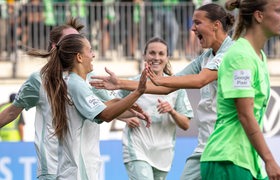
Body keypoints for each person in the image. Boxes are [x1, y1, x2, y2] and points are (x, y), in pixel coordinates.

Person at [90, 3, 235, 179]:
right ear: (144, 55)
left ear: (216, 25)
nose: (192, 28)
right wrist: (120, 83)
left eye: (197, 22)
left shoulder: (230, 53)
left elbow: (199, 81)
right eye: (152, 53)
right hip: (205, 144)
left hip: (225, 142)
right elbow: (166, 87)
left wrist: (164, 92)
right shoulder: (205, 57)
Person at [0, 18, 116, 179]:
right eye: (70, 40)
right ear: (56, 47)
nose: (76, 43)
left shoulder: (91, 78)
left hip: (84, 168)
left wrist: (133, 112)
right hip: (52, 167)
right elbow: (12, 112)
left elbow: (110, 107)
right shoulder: (38, 79)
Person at [27, 33, 151, 180]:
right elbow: (105, 114)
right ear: (79, 57)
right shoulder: (75, 84)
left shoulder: (75, 83)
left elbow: (104, 108)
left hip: (77, 170)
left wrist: (132, 110)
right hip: (77, 172)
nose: (93, 55)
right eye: (90, 50)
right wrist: (137, 92)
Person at [200, 0, 280, 179]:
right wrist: (269, 160)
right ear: (259, 16)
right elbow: (245, 115)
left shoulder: (258, 55)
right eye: (279, 11)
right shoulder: (240, 56)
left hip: (245, 161)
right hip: (227, 161)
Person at [118, 37, 193, 179]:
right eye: (152, 53)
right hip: (136, 149)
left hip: (163, 154)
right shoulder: (131, 83)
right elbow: (110, 107)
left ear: (167, 57)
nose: (156, 58)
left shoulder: (176, 86)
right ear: (144, 56)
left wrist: (172, 111)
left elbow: (186, 124)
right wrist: (126, 118)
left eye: (161, 54)